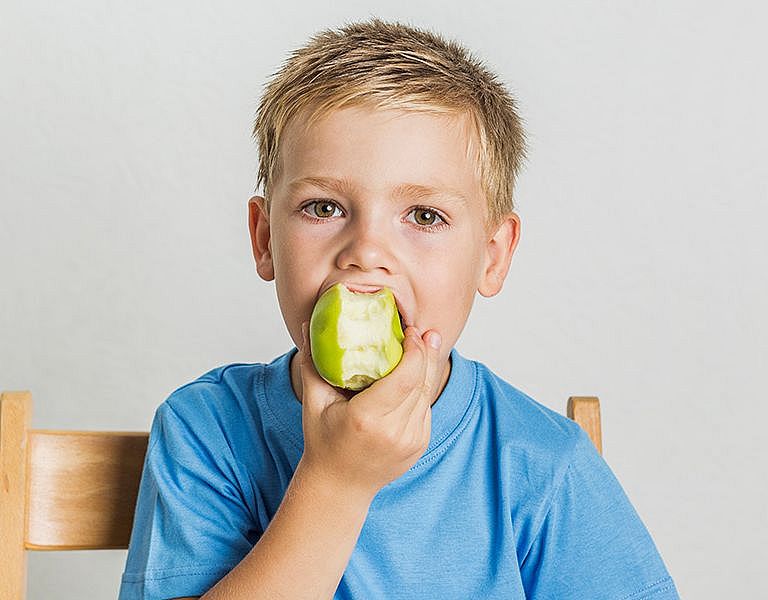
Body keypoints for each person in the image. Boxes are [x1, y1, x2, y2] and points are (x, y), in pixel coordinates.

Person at [119, 18, 679, 600]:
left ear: (492, 257)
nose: (366, 253)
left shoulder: (543, 467)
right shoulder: (209, 434)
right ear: (265, 239)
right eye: (324, 207)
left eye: (424, 216)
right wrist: (336, 482)